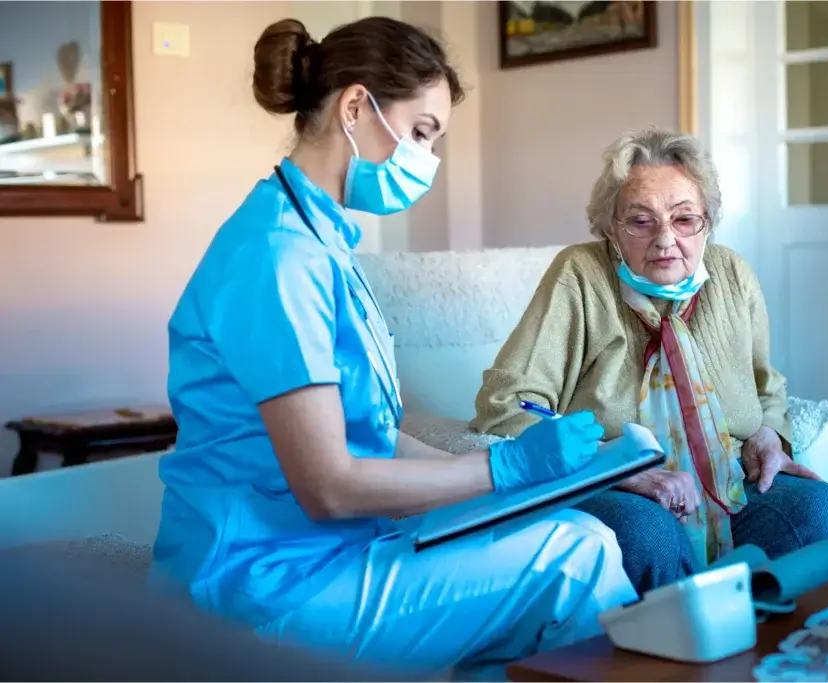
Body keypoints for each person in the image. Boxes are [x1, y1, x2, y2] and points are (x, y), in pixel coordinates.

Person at [149, 16, 637, 681]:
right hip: (259, 586)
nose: (426, 160)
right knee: (572, 560)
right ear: (356, 107)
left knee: (577, 532)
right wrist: (502, 472)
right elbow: (327, 485)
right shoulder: (276, 258)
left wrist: (510, 474)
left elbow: (375, 435)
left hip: (336, 551)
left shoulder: (325, 245)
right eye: (420, 132)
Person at [471, 127, 828, 595]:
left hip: (725, 476)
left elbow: (765, 385)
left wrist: (768, 436)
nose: (665, 240)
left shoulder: (732, 274)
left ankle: (775, 653)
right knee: (647, 535)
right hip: (614, 481)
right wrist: (618, 468)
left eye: (684, 219)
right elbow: (506, 404)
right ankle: (680, 657)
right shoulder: (580, 274)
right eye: (640, 221)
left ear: (707, 223)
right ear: (611, 228)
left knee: (823, 511)